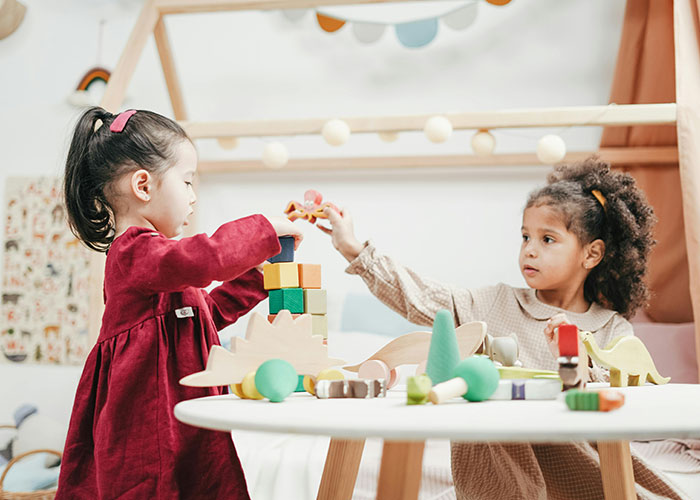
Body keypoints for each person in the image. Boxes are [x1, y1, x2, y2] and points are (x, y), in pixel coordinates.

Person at [320, 158, 686, 499]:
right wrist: (354, 249)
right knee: (489, 417)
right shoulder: (495, 304)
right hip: (502, 471)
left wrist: (575, 364)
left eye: (547, 239)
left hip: (578, 470)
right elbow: (420, 296)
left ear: (591, 254)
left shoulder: (611, 328)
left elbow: (627, 396)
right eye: (525, 236)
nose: (529, 250)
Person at [56, 107, 302, 499]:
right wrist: (262, 230)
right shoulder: (135, 255)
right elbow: (203, 259)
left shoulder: (162, 269)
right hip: (146, 425)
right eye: (187, 182)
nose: (192, 196)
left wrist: (261, 273)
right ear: (143, 185)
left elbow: (208, 312)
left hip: (184, 418)